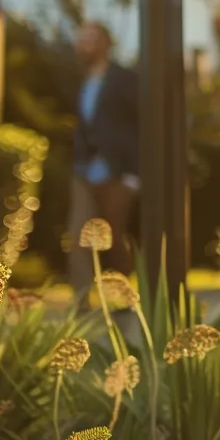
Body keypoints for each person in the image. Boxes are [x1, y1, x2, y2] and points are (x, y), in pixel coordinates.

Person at [68, 21, 140, 288]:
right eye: (81, 38)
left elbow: (141, 125)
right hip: (85, 170)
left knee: (114, 237)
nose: (83, 44)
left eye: (90, 39)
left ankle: (123, 296)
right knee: (78, 236)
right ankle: (81, 305)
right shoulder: (83, 81)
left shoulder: (124, 79)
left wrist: (135, 173)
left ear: (105, 44)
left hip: (118, 171)